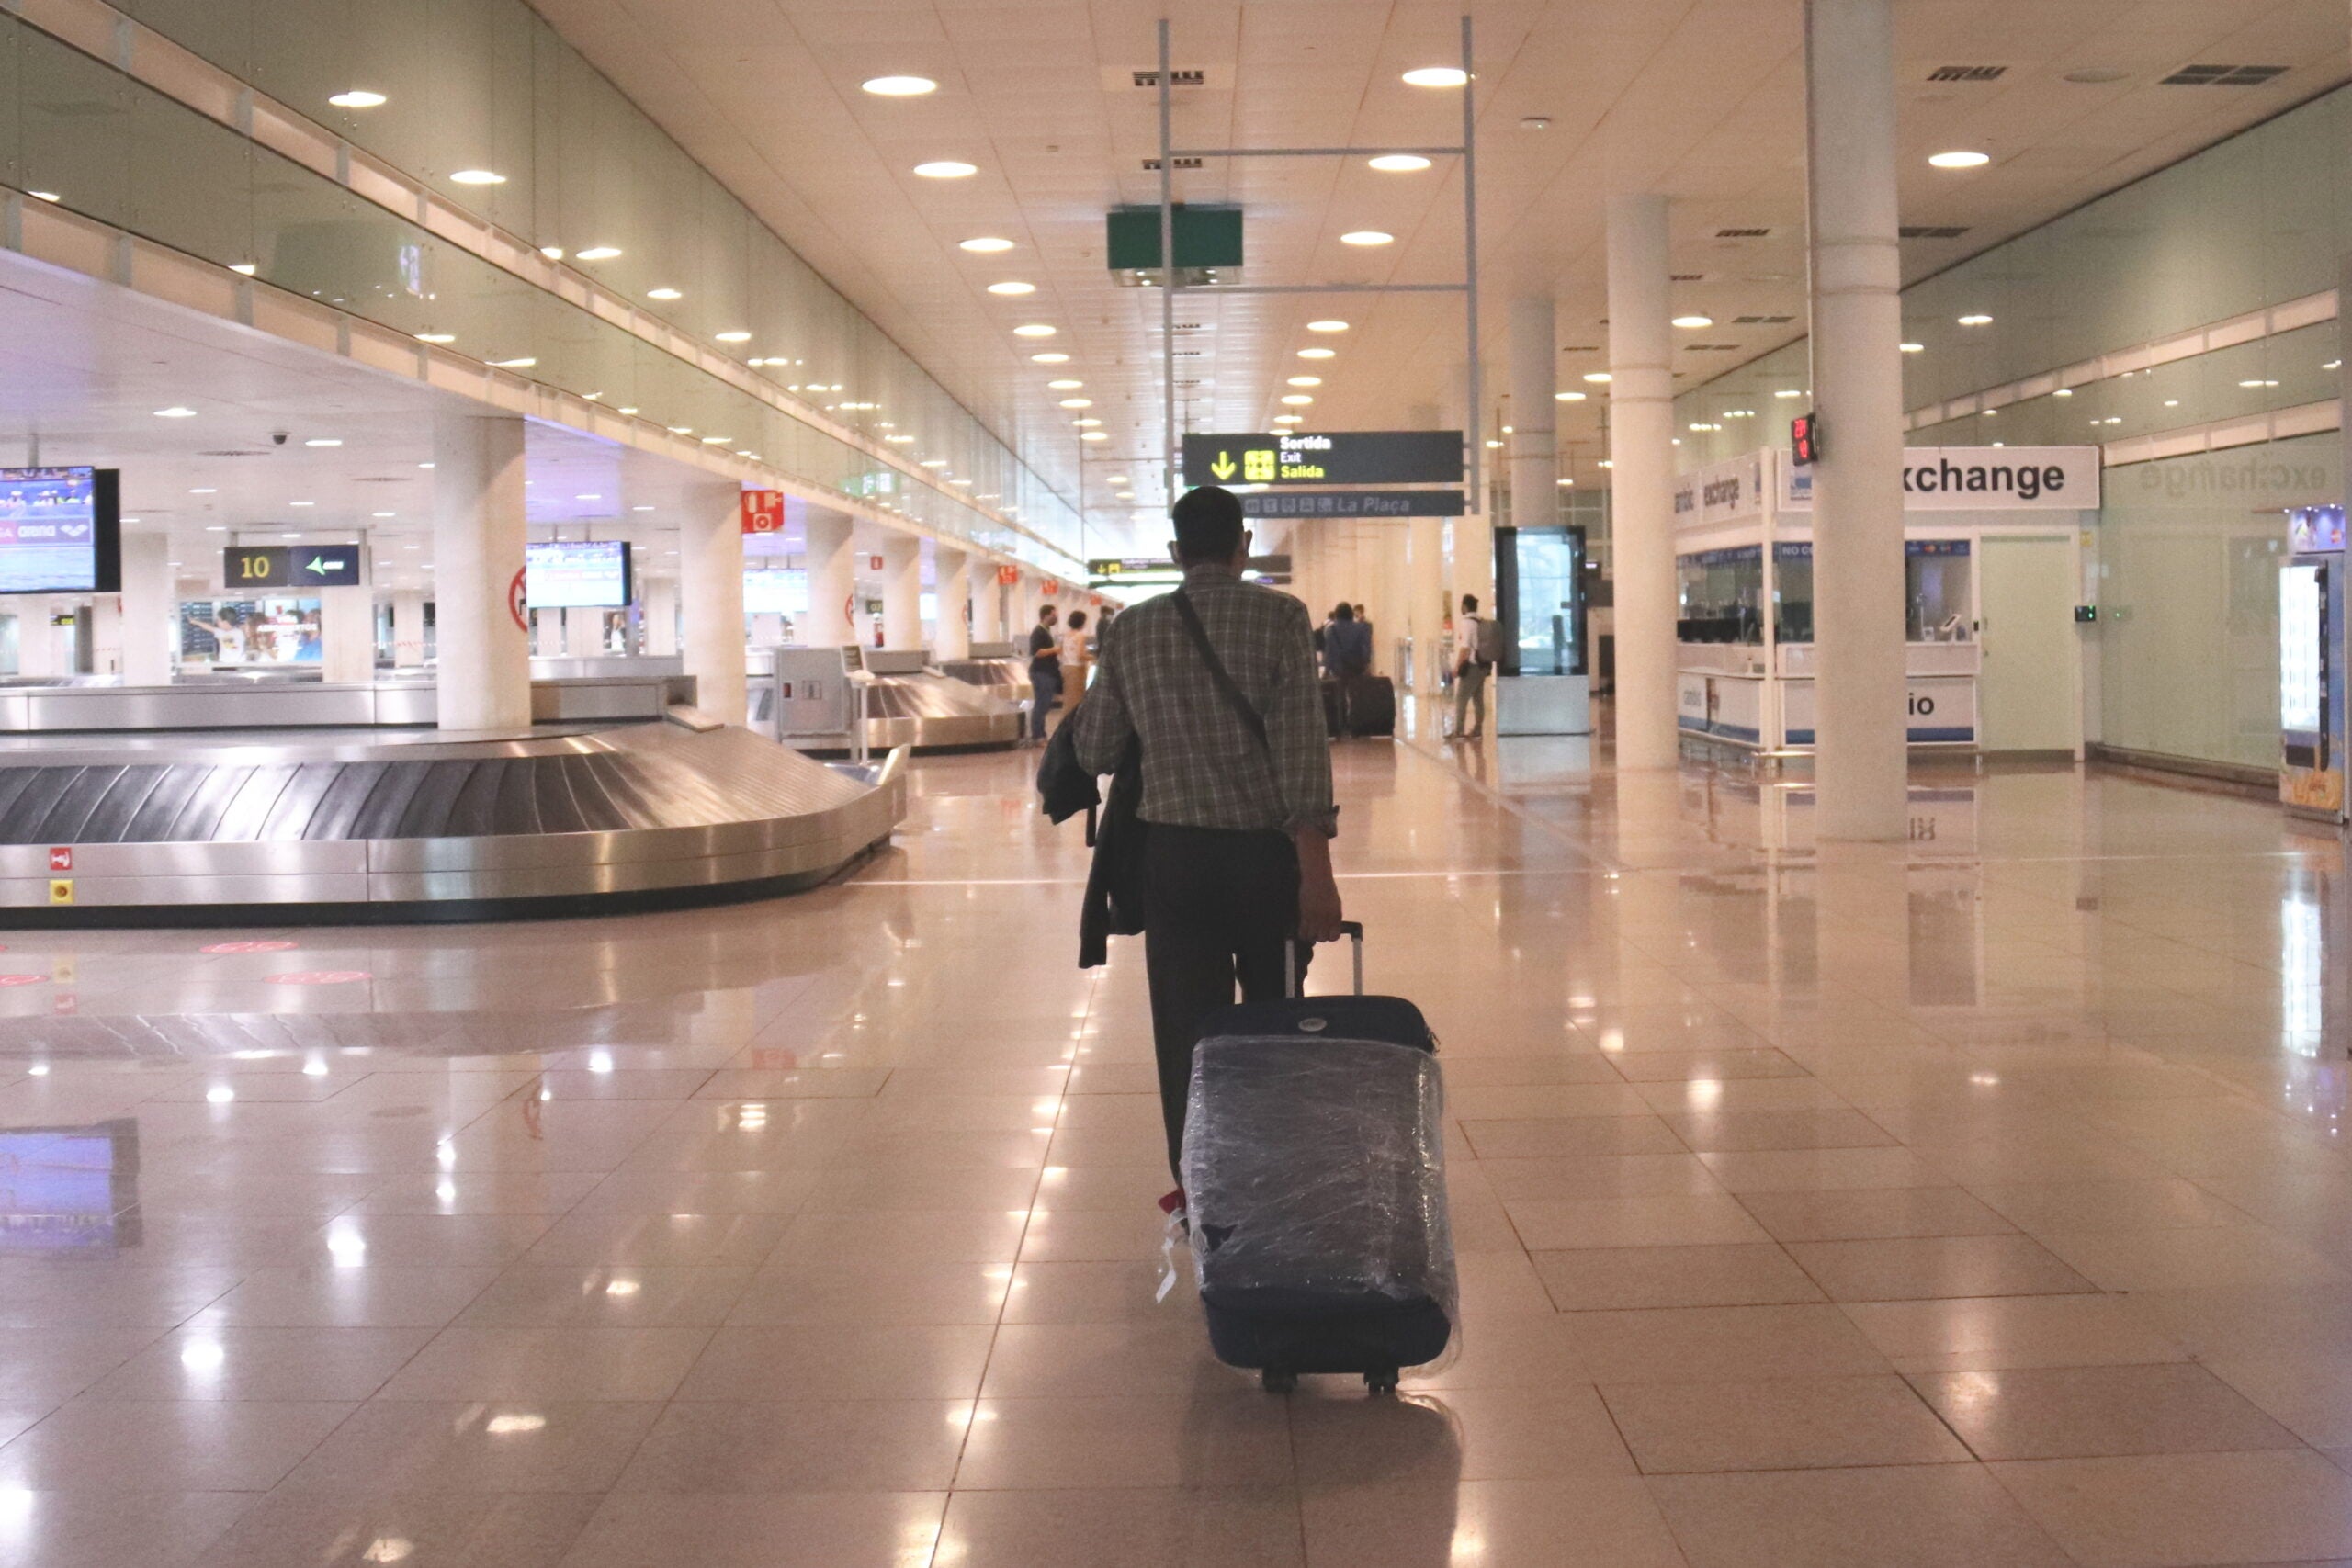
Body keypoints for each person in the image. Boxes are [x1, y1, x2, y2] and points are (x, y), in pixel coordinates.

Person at [1072, 485, 1345, 1190]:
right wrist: (1318, 873)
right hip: (1265, 860)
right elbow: (1302, 751)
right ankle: (1277, 1185)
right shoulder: (1282, 617)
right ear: (1243, 545)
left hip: (1176, 861)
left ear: (1173, 552)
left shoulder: (1130, 629)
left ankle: (1205, 1187)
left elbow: (1095, 748)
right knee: (1276, 1020)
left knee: (1189, 1036)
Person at [1453, 593, 1494, 739]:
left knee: (1461, 698)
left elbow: (1465, 648)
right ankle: (1477, 730)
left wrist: (1457, 666)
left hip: (1473, 665)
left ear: (1464, 606)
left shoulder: (1467, 623)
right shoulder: (1480, 621)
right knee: (1478, 699)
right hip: (1483, 664)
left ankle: (1458, 731)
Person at [1026, 604, 1061, 743]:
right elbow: (1037, 652)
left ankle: (1041, 733)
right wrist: (1055, 649)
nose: (1055, 617)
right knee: (1041, 703)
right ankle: (1037, 735)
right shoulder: (1038, 632)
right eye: (1053, 615)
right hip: (1041, 672)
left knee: (1045, 703)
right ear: (1045, 615)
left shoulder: (1046, 631)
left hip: (1047, 672)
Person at [1323, 602, 1373, 680]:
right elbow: (1366, 651)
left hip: (1338, 671)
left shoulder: (1330, 630)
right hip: (1356, 670)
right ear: (1351, 614)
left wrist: (1326, 672)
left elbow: (1329, 653)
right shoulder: (1361, 628)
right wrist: (1367, 667)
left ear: (1336, 615)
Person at [1059, 609, 1091, 716]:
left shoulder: (1066, 635)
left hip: (1066, 668)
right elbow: (1080, 655)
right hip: (1076, 670)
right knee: (1076, 700)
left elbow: (1062, 652)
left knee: (1068, 698)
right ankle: (1073, 725)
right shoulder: (1080, 635)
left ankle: (1065, 722)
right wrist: (1092, 657)